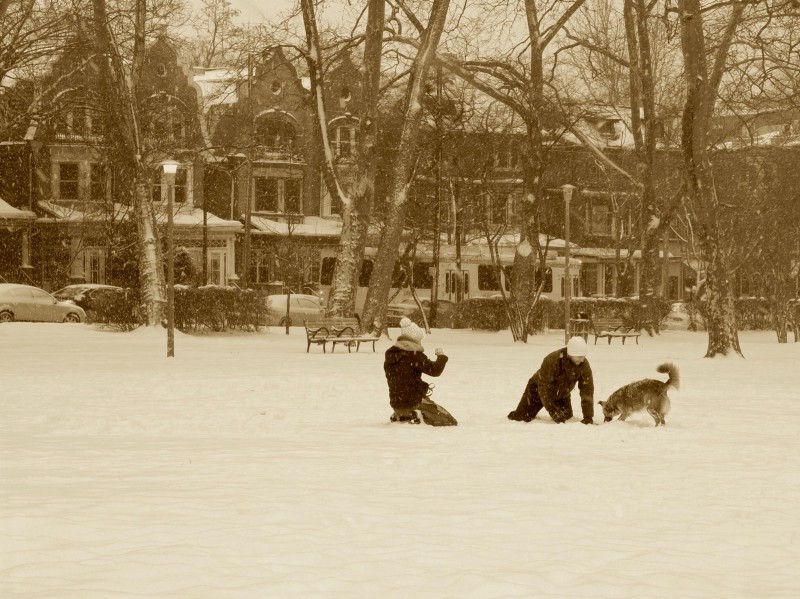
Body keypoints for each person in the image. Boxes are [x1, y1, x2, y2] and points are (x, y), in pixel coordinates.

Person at [383, 317, 457, 426]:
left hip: (396, 402)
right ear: (414, 339)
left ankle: (402, 414)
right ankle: (416, 415)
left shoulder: (391, 354)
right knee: (450, 421)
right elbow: (435, 371)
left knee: (407, 398)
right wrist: (441, 357)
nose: (420, 343)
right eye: (419, 340)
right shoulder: (415, 355)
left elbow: (401, 378)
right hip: (413, 402)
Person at [507, 336, 595, 424]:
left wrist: (588, 417)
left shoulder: (584, 366)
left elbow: (587, 391)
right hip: (537, 390)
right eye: (579, 357)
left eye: (583, 356)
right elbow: (543, 388)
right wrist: (553, 411)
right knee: (522, 417)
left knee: (566, 418)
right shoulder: (552, 360)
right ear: (570, 354)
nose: (582, 359)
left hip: (562, 394)